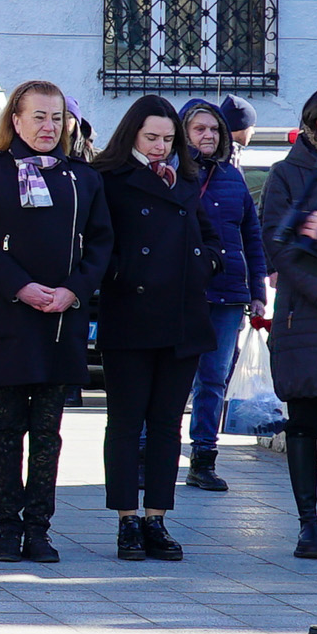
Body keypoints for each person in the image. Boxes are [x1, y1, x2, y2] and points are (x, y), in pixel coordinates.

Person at [0, 81, 114, 563]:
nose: (48, 127)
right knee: (8, 428)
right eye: (38, 117)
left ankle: (39, 528)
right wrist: (19, 286)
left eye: (56, 117)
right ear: (17, 120)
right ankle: (7, 528)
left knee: (48, 431)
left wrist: (74, 290)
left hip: (60, 318)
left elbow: (101, 244)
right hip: (12, 313)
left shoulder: (82, 178)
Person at [91, 95, 222, 562]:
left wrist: (208, 261)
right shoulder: (108, 177)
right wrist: (121, 273)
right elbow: (97, 239)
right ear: (132, 134)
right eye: (151, 138)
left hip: (183, 314)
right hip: (131, 312)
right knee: (126, 422)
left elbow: (208, 232)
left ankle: (157, 518)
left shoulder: (186, 176)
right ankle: (127, 519)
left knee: (168, 424)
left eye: (168, 139)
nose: (161, 147)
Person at [259, 86, 317, 561]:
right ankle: (308, 525)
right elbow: (283, 247)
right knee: (304, 423)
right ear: (313, 124)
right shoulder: (288, 175)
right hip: (306, 317)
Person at [177, 99, 269, 492]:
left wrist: (258, 291)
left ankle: (203, 458)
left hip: (228, 294)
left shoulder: (233, 177)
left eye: (214, 129)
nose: (208, 136)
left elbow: (251, 236)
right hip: (182, 292)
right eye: (199, 129)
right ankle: (150, 454)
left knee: (213, 380)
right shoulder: (174, 173)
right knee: (172, 378)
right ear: (183, 132)